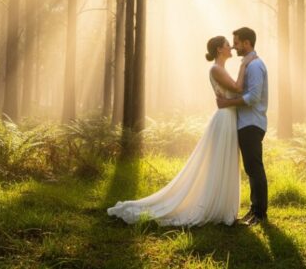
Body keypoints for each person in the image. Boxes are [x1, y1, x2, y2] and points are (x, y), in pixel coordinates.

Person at [106, 35, 254, 226]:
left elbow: (234, 90)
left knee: (224, 162)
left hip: (228, 118)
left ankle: (222, 207)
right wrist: (244, 65)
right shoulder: (216, 69)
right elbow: (238, 87)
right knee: (220, 161)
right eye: (227, 45)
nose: (231, 48)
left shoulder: (221, 69)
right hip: (224, 119)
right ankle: (213, 206)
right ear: (219, 49)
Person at [216, 27, 269, 226]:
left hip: (252, 123)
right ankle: (254, 210)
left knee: (254, 168)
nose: (234, 46)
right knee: (251, 168)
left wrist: (228, 103)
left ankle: (260, 214)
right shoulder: (249, 64)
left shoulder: (254, 66)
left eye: (237, 43)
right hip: (247, 123)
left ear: (247, 43)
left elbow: (253, 97)